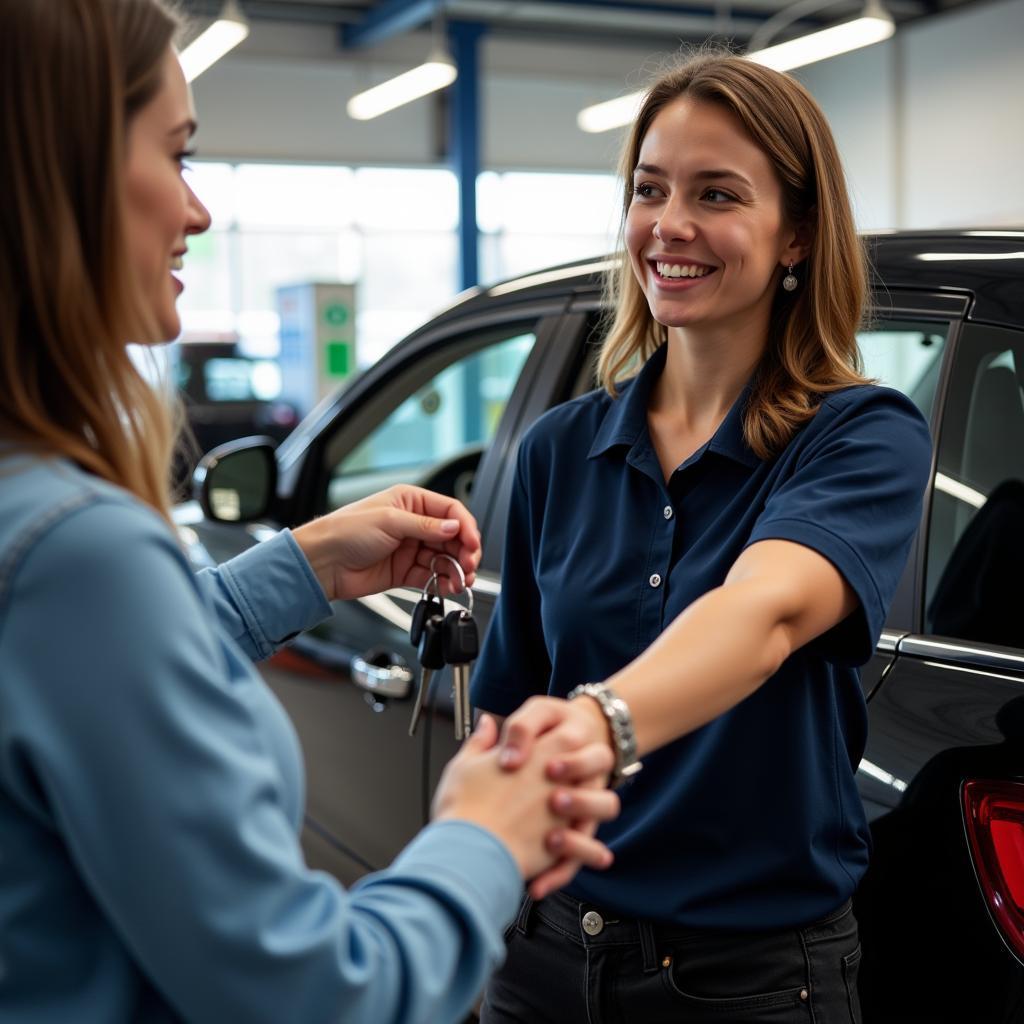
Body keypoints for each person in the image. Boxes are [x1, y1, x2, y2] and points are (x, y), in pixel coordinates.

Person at [0, 2, 619, 1022]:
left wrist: (310, 558)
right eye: (178, 153)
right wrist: (482, 834)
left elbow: (87, 672)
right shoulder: (80, 549)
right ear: (59, 173)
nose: (197, 211)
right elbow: (316, 994)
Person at [471, 50, 933, 1022]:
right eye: (649, 190)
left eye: (716, 194)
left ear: (796, 233)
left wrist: (601, 722)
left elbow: (760, 613)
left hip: (750, 977)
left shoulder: (860, 434)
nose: (669, 225)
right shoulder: (562, 448)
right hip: (547, 955)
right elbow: (508, 699)